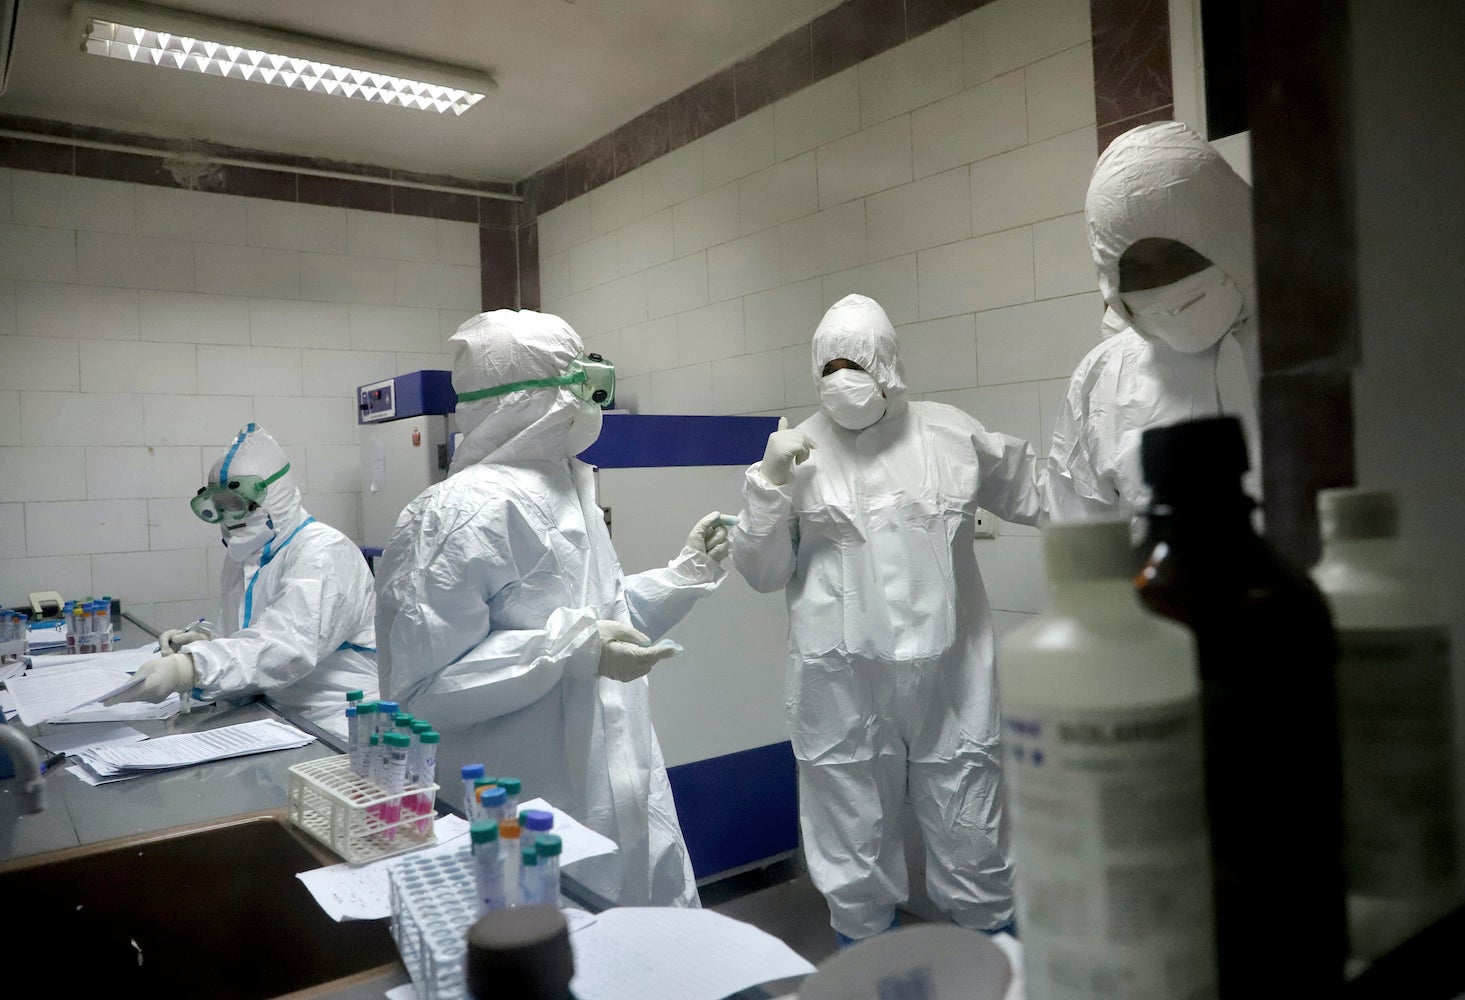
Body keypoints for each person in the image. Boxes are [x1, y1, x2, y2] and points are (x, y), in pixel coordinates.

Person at [375, 309, 732, 908]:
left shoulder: (573, 486)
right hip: (532, 815)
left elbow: (604, 622)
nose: (591, 398)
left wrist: (686, 574)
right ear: (524, 397)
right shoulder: (450, 516)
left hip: (626, 794)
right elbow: (422, 691)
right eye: (577, 379)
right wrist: (572, 648)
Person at [728, 293, 1046, 946]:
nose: (844, 377)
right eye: (832, 365)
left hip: (953, 682)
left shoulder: (951, 434)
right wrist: (766, 485)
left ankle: (997, 964)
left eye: (858, 362)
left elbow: (1045, 494)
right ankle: (872, 971)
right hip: (839, 690)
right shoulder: (794, 454)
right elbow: (760, 572)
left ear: (889, 364)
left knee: (975, 843)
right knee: (852, 859)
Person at [1046, 120, 1260, 524]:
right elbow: (1082, 539)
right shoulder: (1101, 380)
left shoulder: (1317, 342)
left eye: (1179, 255)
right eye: (1136, 268)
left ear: (1229, 232)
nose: (1163, 283)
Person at [106, 423, 378, 731]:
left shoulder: (324, 553)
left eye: (235, 504)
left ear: (273, 495)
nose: (228, 519)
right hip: (272, 720)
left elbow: (286, 647)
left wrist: (191, 667)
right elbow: (252, 635)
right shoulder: (244, 558)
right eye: (219, 507)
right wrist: (207, 639)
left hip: (336, 727)